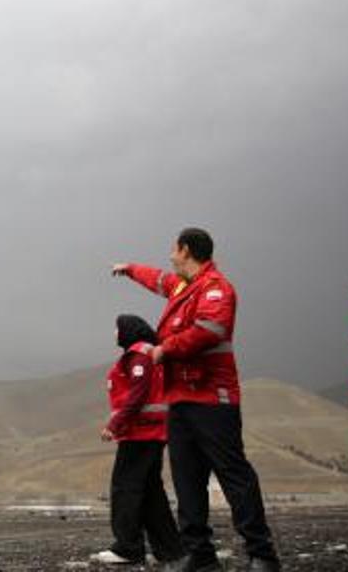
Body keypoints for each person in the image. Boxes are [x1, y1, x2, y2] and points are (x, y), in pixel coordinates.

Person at [112, 227, 280, 572]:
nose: (170, 256)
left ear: (185, 250)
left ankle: (261, 553)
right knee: (187, 480)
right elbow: (156, 278)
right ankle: (199, 556)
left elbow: (209, 330)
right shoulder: (182, 287)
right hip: (180, 400)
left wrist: (164, 350)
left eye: (173, 249)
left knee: (233, 476)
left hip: (212, 400)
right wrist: (128, 268)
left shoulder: (216, 288)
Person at [92, 314, 185, 566]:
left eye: (117, 329)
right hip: (151, 433)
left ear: (129, 331)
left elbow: (138, 392)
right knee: (151, 493)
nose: (114, 333)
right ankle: (171, 550)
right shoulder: (148, 352)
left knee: (125, 488)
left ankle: (128, 548)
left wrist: (114, 425)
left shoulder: (139, 355)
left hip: (140, 434)